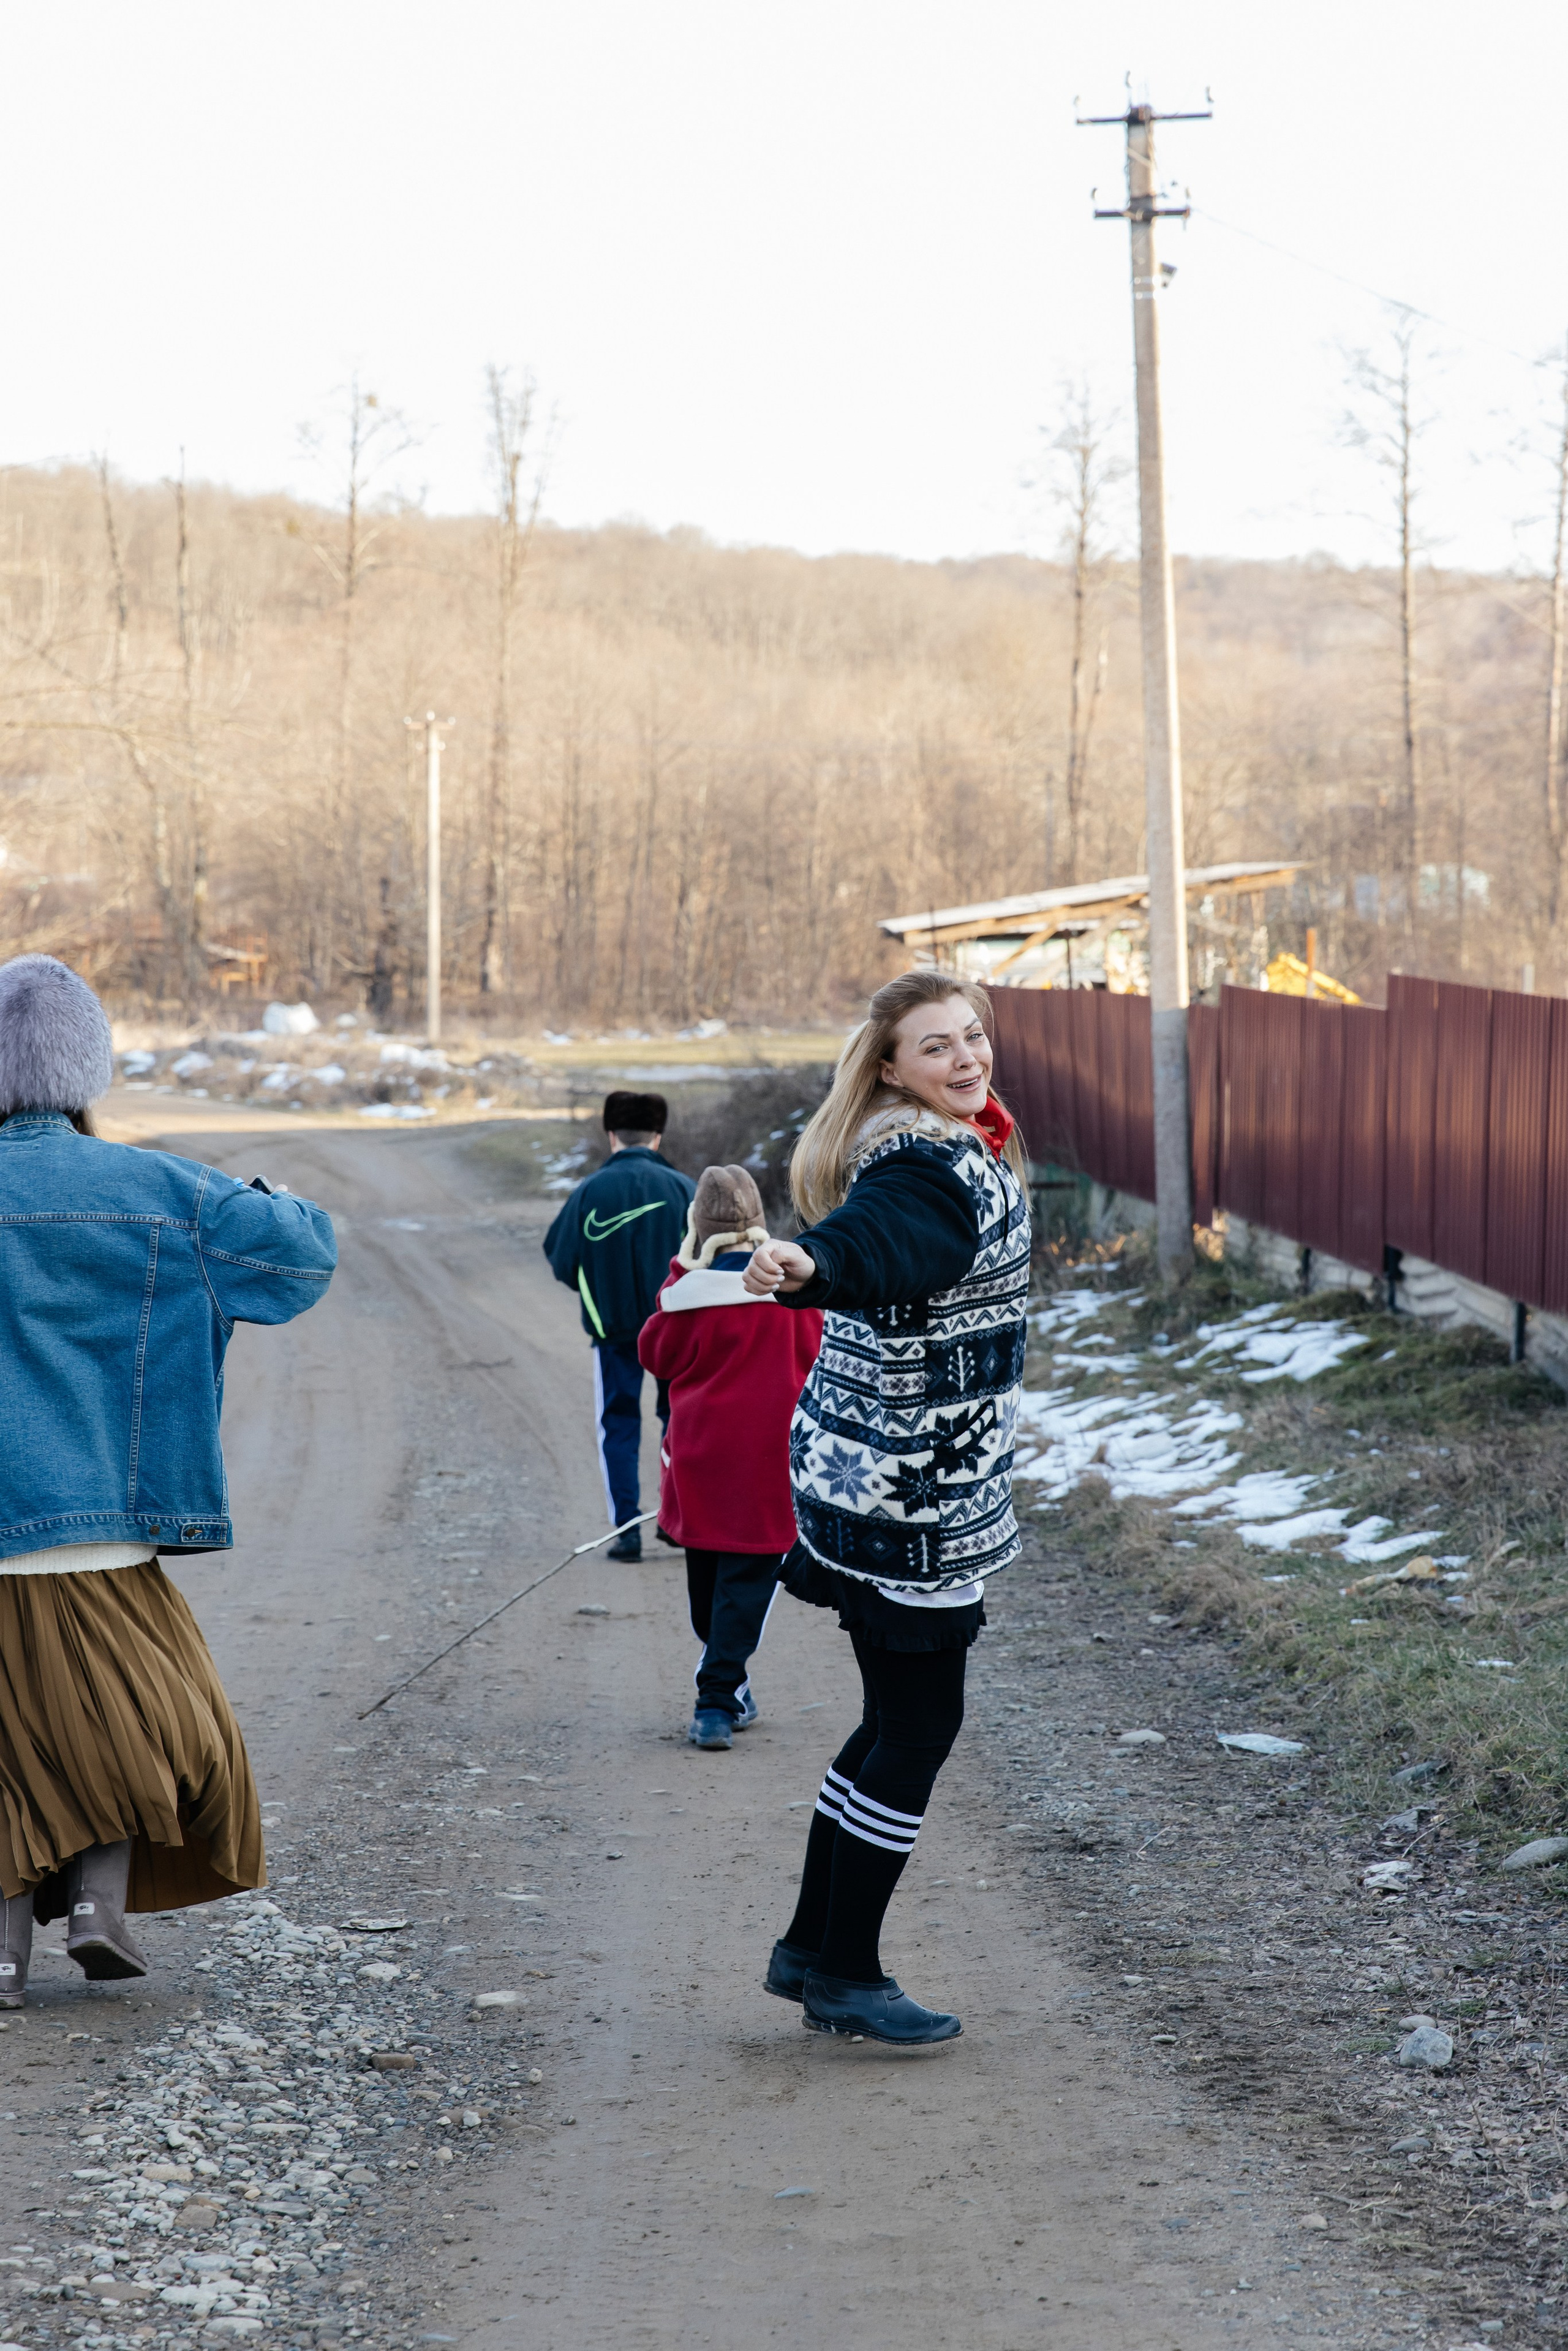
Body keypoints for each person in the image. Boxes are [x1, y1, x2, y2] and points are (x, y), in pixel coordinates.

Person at [0, 955, 337, 2008]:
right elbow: (299, 1261)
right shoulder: (161, 1188)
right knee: (158, 1725)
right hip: (110, 1524)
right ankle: (99, 1903)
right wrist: (258, 1194)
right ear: (88, 1068)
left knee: (14, 1740)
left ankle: (3, 1955)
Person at [742, 969, 1031, 2047]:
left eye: (971, 1038)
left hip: (877, 1469)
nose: (967, 1061)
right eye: (936, 1048)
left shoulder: (927, 1139)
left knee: (889, 1721)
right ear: (890, 1068)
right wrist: (811, 1262)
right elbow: (881, 1243)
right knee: (917, 1726)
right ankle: (848, 1973)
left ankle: (812, 1948)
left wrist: (822, 1259)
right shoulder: (928, 1160)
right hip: (912, 1495)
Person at [638, 1164, 823, 1751]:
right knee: (746, 1584)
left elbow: (654, 1356)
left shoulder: (686, 1298)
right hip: (768, 1460)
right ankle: (717, 1700)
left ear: (697, 1226)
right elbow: (819, 1353)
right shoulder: (790, 1293)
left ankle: (723, 1689)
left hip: (699, 1458)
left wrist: (680, 1271)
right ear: (757, 1224)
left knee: (709, 1581)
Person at [544, 1090, 695, 1560]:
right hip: (677, 1330)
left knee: (619, 1423)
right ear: (659, 1135)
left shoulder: (590, 1191)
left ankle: (627, 1530)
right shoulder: (684, 1189)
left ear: (611, 1135)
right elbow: (710, 1259)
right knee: (681, 1422)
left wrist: (599, 1296)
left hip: (612, 1334)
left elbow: (561, 1259)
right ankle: (677, 1523)